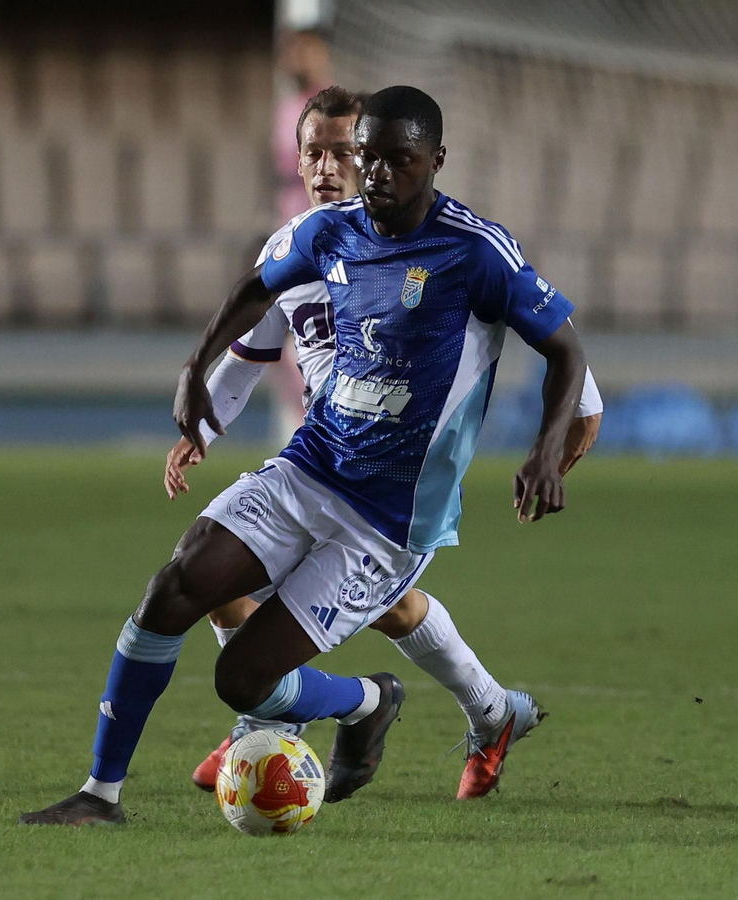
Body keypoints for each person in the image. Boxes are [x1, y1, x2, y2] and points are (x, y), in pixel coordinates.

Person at [20, 85, 588, 826]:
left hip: (387, 520)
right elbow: (256, 288)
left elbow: (568, 352)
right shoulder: (329, 231)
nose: (377, 174)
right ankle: (101, 795)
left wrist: (548, 450)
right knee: (174, 585)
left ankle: (371, 700)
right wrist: (196, 365)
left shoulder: (476, 252)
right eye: (368, 158)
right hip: (311, 466)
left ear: (437, 161)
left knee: (243, 678)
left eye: (398, 160)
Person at [167, 86, 603, 800]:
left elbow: (561, 350)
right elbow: (250, 353)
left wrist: (562, 435)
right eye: (319, 152)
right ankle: (468, 715)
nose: (337, 168)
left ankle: (276, 721)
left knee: (320, 602)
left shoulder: (454, 250)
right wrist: (203, 428)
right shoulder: (301, 247)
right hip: (321, 463)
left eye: (347, 151)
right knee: (242, 583)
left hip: (398, 491)